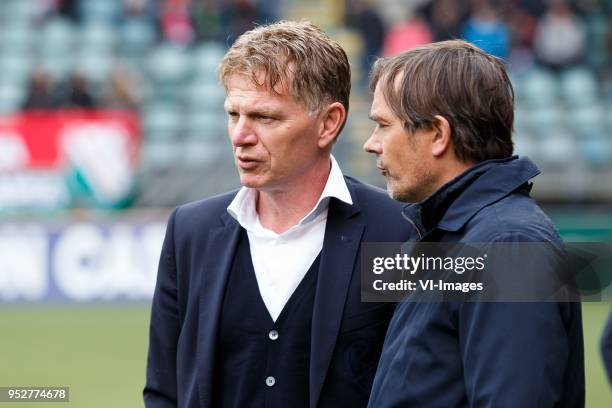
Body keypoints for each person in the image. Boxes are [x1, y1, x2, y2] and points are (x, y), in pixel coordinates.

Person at [144, 21, 413, 407]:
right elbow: (163, 390)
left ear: (328, 123)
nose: (240, 135)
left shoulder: (398, 230)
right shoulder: (191, 231)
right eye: (234, 114)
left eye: (265, 117)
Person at [363, 39, 584, 406]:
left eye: (384, 125)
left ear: (437, 134)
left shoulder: (508, 244)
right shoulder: (450, 233)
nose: (372, 143)